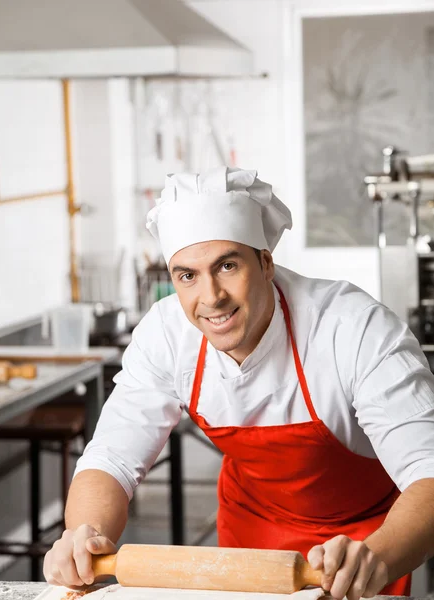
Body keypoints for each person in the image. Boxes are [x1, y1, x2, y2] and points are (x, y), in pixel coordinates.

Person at [44, 167, 434, 600]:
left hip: (364, 536)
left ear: (266, 262)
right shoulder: (166, 335)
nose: (210, 297)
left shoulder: (354, 329)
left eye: (227, 266)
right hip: (252, 530)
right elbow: (111, 458)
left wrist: (374, 557)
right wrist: (85, 535)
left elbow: (429, 473)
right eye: (187, 276)